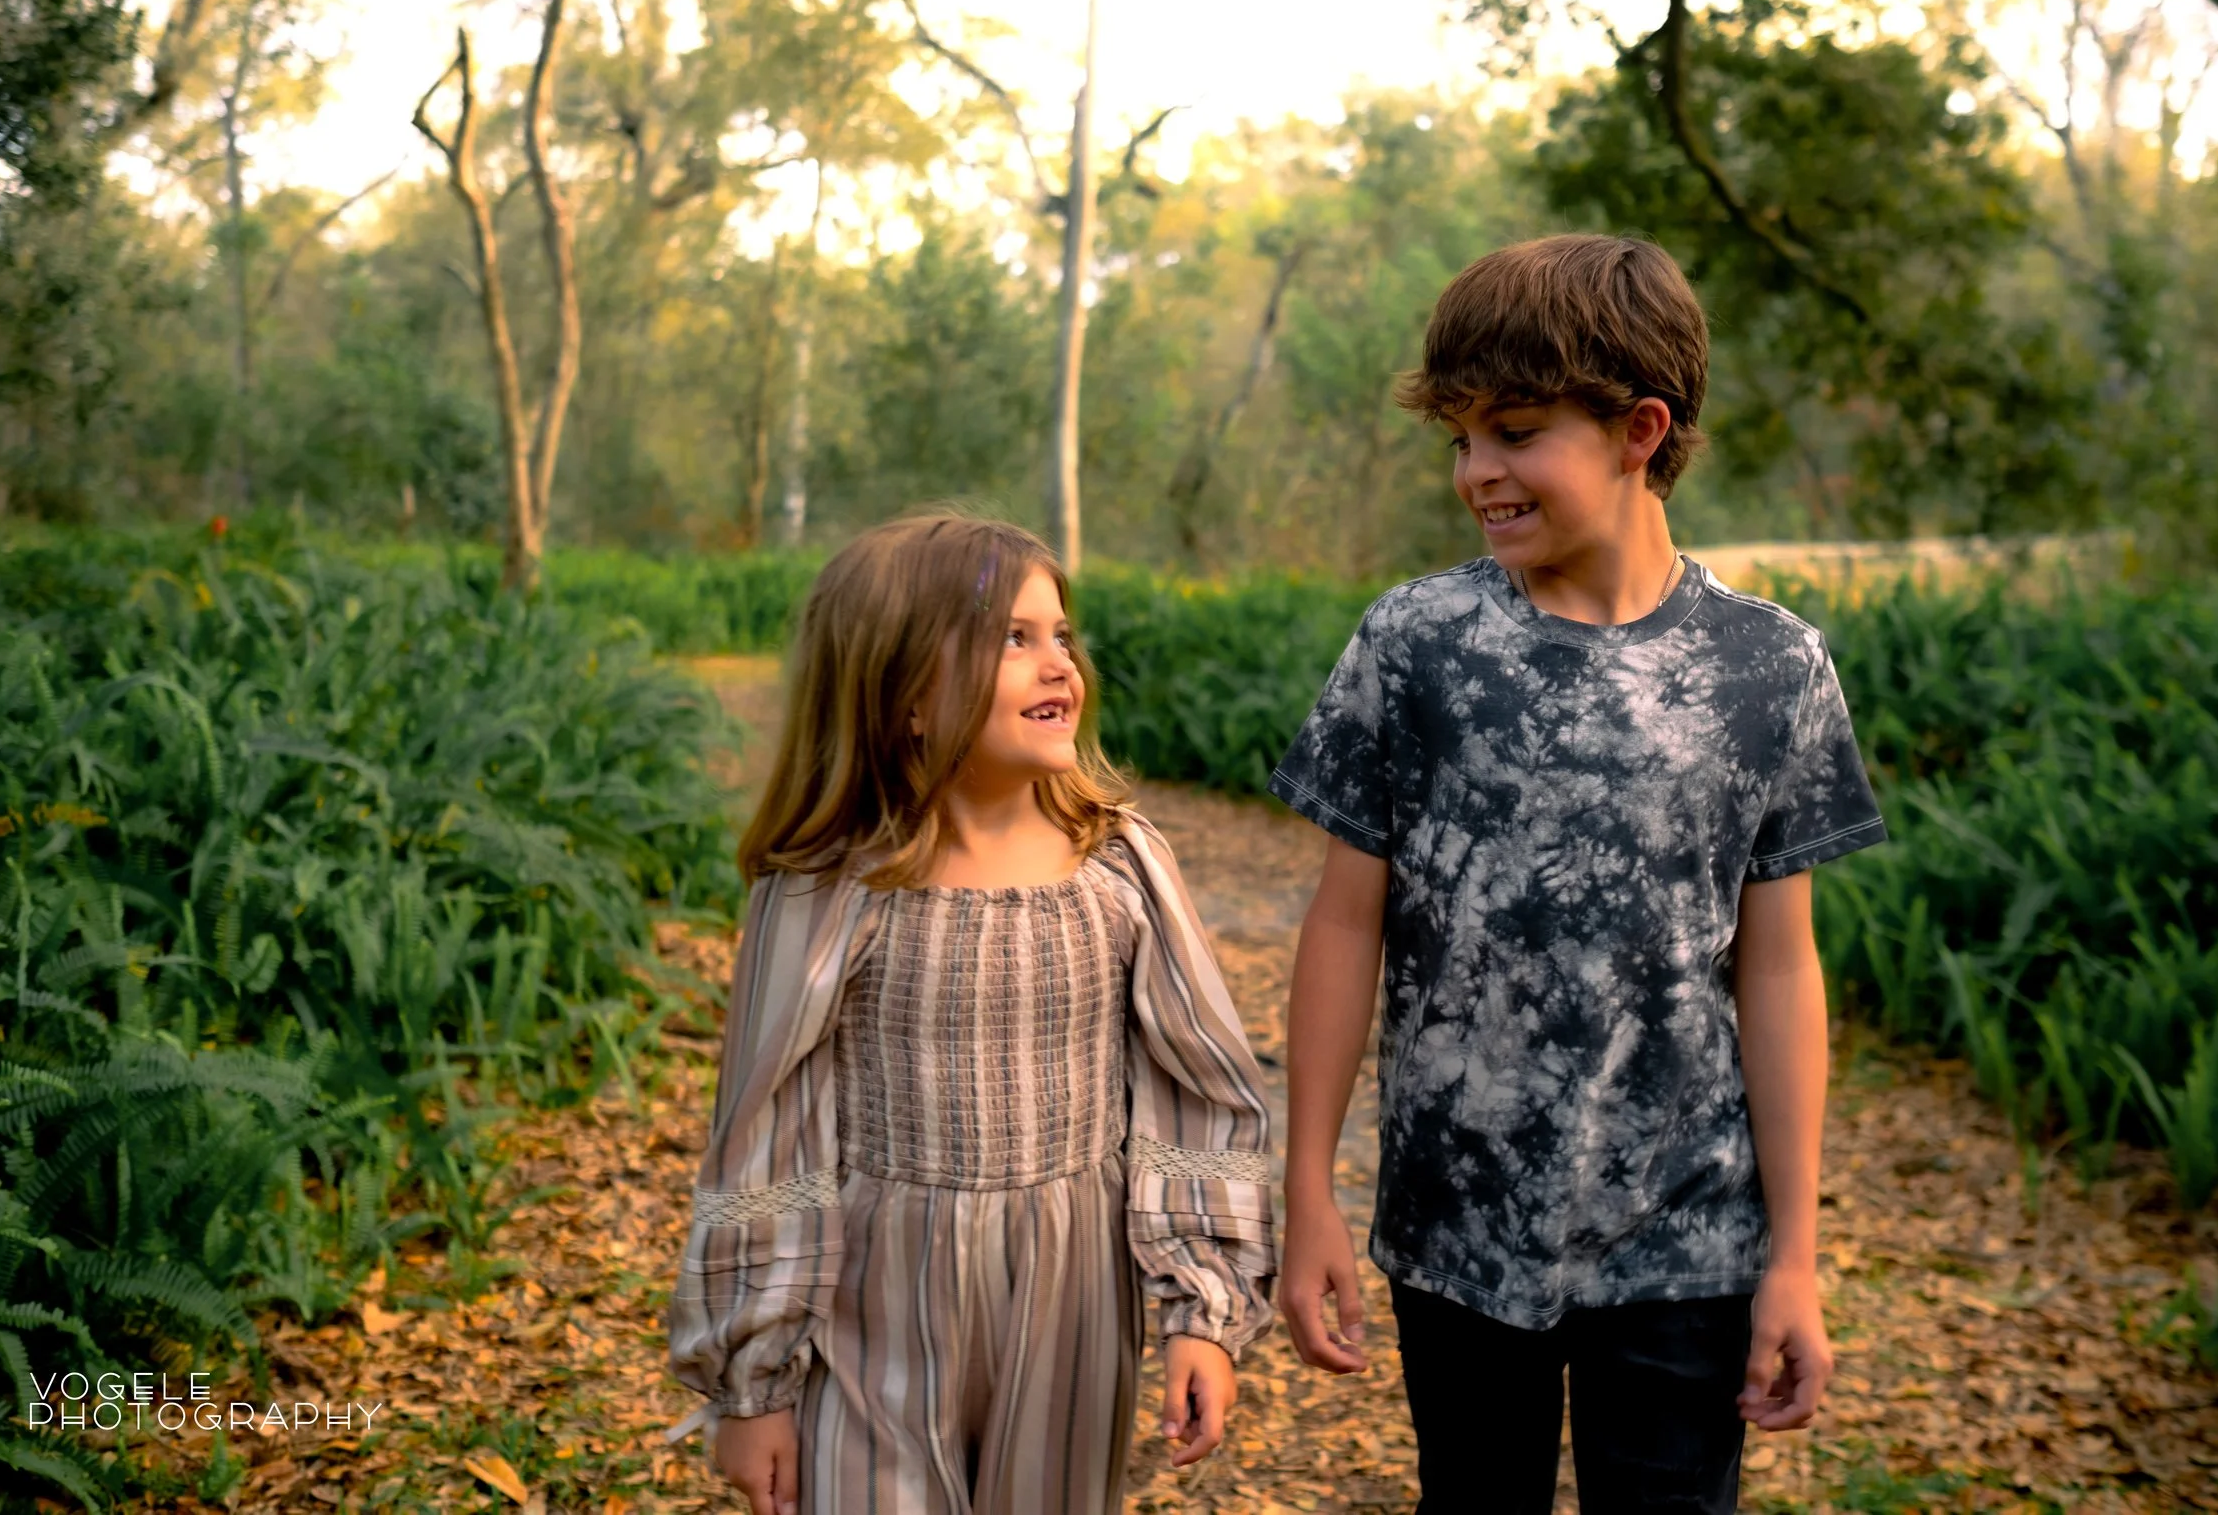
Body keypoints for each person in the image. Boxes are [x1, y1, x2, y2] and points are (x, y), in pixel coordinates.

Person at [1270, 235, 1884, 1514]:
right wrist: (1308, 1189)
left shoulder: (1769, 668)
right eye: (1460, 439)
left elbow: (1778, 969)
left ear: (1638, 430)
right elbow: (1342, 924)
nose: (1476, 472)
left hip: (1688, 1232)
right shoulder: (1416, 644)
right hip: (1456, 1221)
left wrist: (1795, 1254)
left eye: (1514, 432)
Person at [667, 514, 1277, 1515]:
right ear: (903, 691)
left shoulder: (1117, 865)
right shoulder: (828, 888)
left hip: (1072, 1299)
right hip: (873, 1302)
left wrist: (1200, 1309)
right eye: (1012, 638)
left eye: (1061, 634)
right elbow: (767, 1140)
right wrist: (754, 1386)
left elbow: (1196, 1097)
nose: (1059, 663)